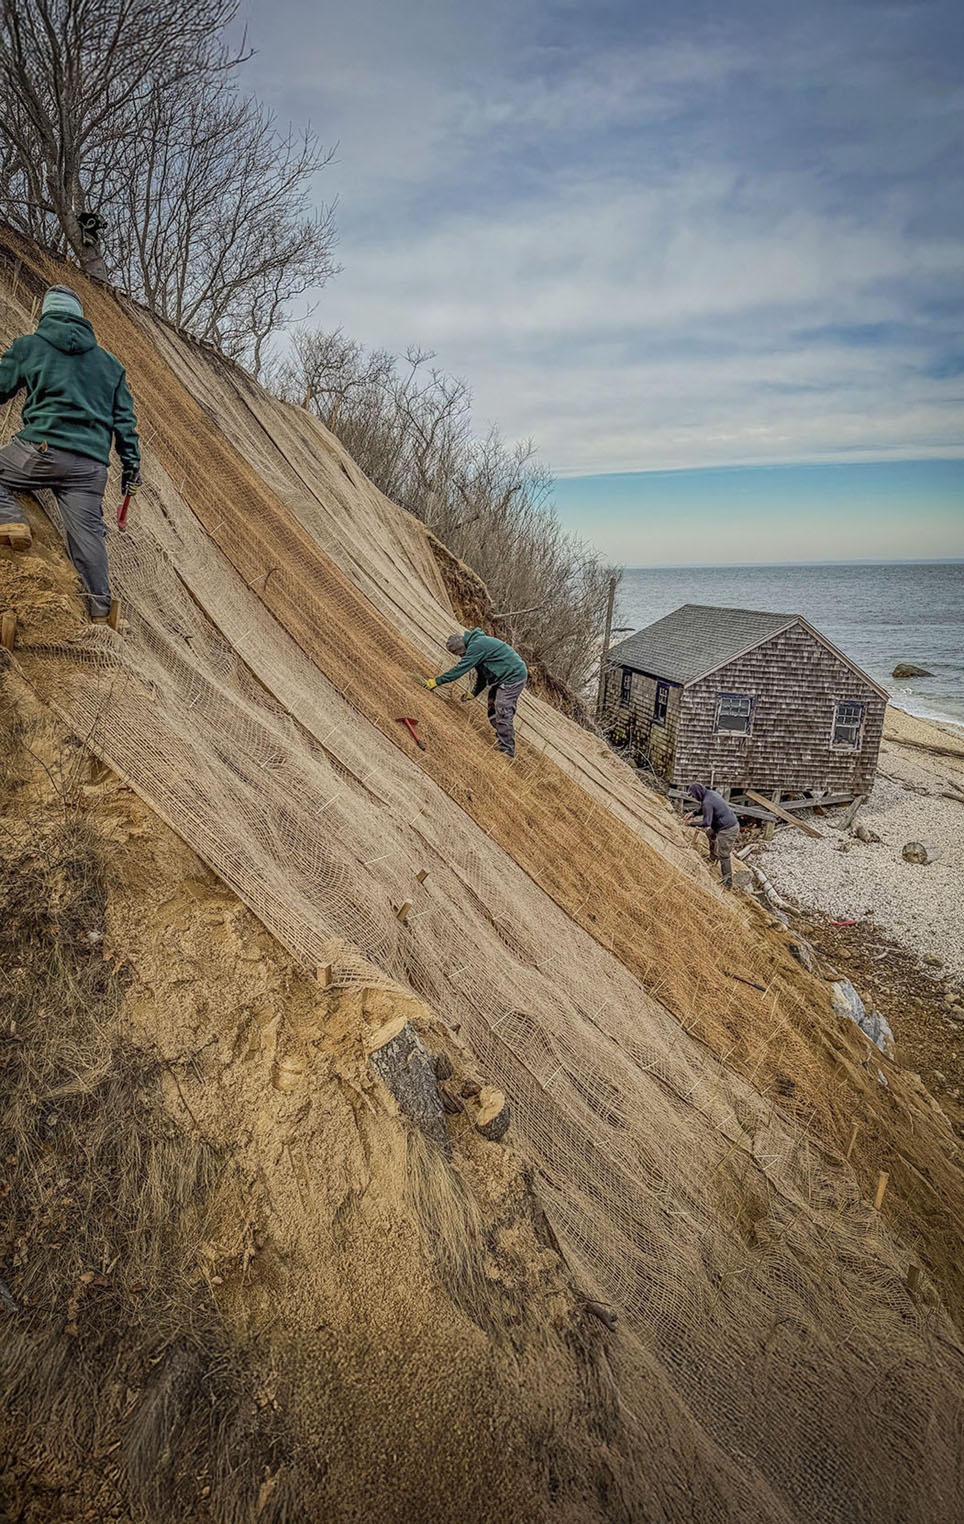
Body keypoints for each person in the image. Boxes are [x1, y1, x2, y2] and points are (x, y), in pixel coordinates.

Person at [0, 283, 140, 624]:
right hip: (90, 469)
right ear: (80, 317)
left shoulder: (29, 346)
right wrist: (131, 467)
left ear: (46, 313)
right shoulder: (110, 364)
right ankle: (100, 611)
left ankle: (11, 521)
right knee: (88, 535)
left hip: (41, 452)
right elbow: (125, 422)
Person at [425, 628, 528, 757]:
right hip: (502, 677)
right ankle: (502, 734)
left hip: (513, 676)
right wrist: (474, 693)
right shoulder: (477, 646)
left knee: (503, 708)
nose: (462, 656)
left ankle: (507, 751)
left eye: (461, 654)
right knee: (492, 708)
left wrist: (437, 682)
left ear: (463, 647)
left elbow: (460, 669)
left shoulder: (477, 646)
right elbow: (482, 675)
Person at [685, 783, 740, 888]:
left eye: (694, 795)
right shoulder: (710, 794)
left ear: (698, 793)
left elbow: (706, 822)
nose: (694, 798)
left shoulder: (707, 802)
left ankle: (727, 883)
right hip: (722, 825)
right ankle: (713, 857)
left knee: (724, 855)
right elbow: (705, 810)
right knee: (710, 833)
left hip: (728, 829)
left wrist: (691, 823)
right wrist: (694, 813)